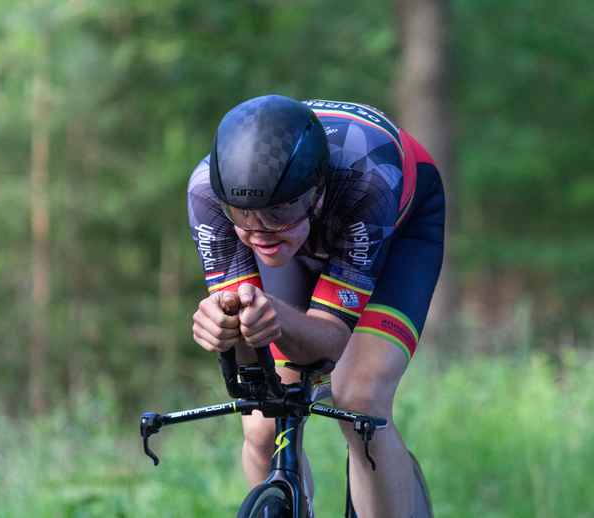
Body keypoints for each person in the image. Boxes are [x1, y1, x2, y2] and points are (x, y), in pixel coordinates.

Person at [188, 94, 444, 518]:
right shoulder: (207, 195)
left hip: (398, 230)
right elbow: (251, 367)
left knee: (358, 396)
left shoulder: (368, 180)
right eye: (243, 215)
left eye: (278, 212)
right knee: (261, 423)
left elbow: (328, 348)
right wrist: (225, 327)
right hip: (310, 234)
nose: (259, 232)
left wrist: (274, 317)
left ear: (317, 189)